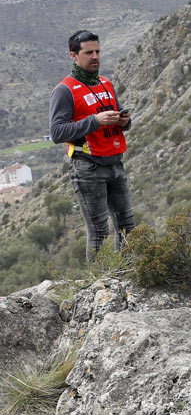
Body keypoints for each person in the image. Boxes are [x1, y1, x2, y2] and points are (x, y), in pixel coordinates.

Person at [49, 30, 135, 260]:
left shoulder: (106, 83)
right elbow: (57, 132)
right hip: (88, 167)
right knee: (99, 231)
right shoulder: (64, 90)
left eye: (97, 51)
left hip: (115, 162)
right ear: (74, 55)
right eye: (89, 53)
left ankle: (128, 274)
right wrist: (95, 121)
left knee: (128, 225)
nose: (95, 56)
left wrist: (124, 121)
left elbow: (117, 119)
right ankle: (99, 280)